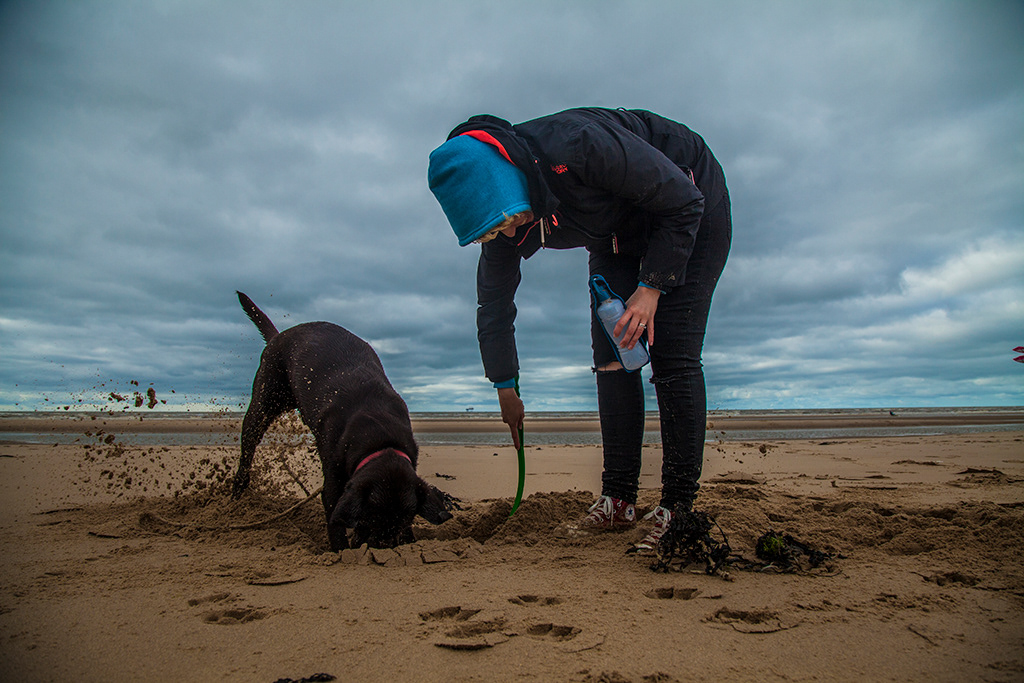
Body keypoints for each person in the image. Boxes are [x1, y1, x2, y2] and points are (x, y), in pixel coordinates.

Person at [427, 108, 731, 551]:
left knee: (671, 355)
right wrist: (505, 387)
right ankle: (619, 498)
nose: (504, 237)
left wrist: (651, 288)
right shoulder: (503, 226)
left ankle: (678, 506)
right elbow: (493, 304)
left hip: (687, 207)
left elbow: (683, 201)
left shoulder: (578, 144)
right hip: (615, 236)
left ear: (509, 186)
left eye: (502, 223)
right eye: (488, 234)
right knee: (612, 357)